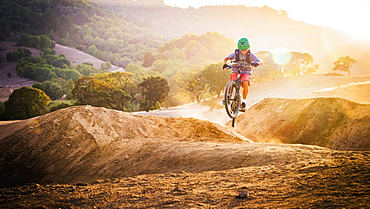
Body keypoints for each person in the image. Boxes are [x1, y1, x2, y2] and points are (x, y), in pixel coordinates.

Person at [222, 37, 263, 111]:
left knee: (245, 83)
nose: (243, 51)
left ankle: (244, 102)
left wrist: (256, 64)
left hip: (246, 72)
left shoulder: (251, 55)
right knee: (232, 80)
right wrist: (225, 64)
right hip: (236, 70)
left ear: (248, 48)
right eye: (241, 50)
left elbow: (261, 62)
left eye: (245, 49)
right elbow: (226, 58)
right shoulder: (236, 54)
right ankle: (227, 96)